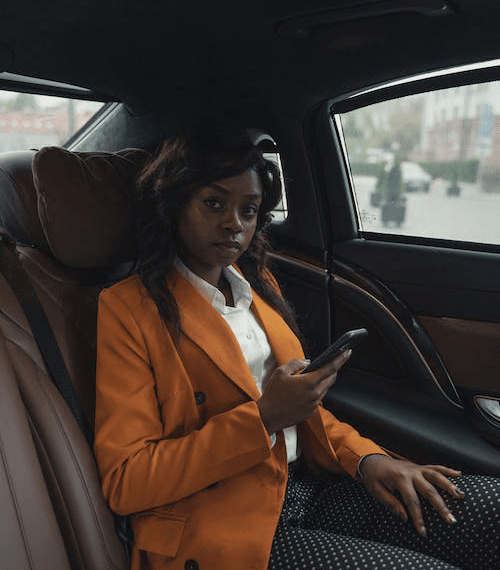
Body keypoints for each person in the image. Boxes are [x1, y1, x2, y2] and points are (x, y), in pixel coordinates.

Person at [94, 126, 500, 570]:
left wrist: (369, 460)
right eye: (214, 203)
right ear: (173, 206)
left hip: (306, 484)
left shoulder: (257, 284)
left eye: (248, 210)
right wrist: (263, 418)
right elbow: (127, 481)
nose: (234, 223)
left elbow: (299, 409)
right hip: (218, 522)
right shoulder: (127, 309)